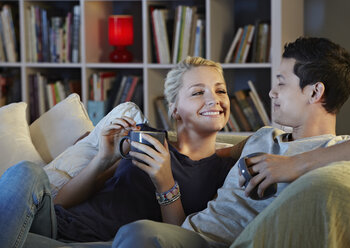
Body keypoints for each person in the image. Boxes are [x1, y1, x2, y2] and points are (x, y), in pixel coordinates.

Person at [110, 37, 350, 247]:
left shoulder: (337, 152)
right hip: (187, 234)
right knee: (134, 234)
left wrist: (295, 165)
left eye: (281, 83)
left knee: (140, 234)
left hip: (226, 243)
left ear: (315, 91)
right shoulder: (263, 136)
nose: (271, 92)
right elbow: (202, 155)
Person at [0, 57, 237, 247]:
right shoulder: (144, 137)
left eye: (221, 91)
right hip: (52, 225)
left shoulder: (226, 171)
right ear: (174, 109)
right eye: (198, 92)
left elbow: (175, 240)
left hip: (109, 243)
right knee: (25, 171)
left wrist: (165, 183)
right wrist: (102, 159)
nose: (214, 100)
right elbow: (60, 202)